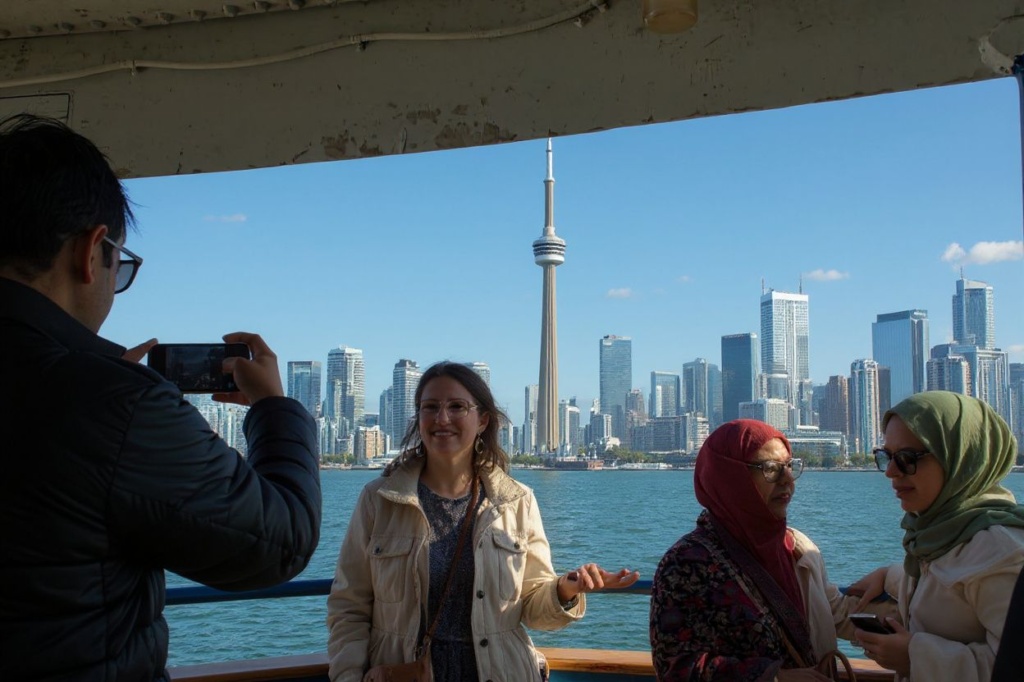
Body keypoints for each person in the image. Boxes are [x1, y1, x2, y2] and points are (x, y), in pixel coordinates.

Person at [0, 114, 322, 680]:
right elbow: (280, 540)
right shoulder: (110, 404)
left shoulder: (97, 397)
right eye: (119, 268)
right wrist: (276, 409)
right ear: (91, 250)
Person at [326, 361, 639, 682]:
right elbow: (349, 608)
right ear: (418, 418)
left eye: (457, 407)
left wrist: (566, 589)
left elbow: (532, 606)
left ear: (483, 420)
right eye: (430, 407)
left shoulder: (517, 502)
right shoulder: (380, 500)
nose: (442, 418)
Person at [650, 419, 889, 681]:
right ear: (730, 478)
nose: (788, 481)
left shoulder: (797, 548)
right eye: (771, 469)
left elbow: (835, 611)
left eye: (789, 466)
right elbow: (676, 667)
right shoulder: (686, 563)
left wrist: (900, 585)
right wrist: (777, 678)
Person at [847, 391, 1024, 682]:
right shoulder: (937, 535)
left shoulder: (1002, 551)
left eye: (906, 458)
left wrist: (915, 656)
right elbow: (949, 579)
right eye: (886, 457)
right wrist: (889, 575)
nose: (890, 472)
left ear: (962, 456)